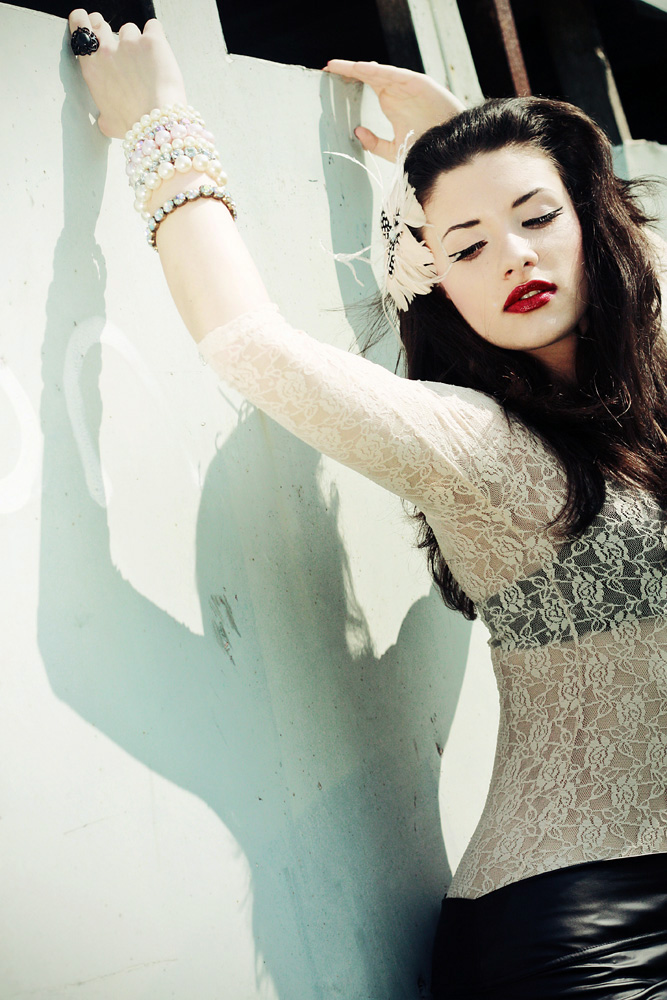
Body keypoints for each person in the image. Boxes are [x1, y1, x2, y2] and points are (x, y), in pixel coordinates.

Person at [68, 10, 667, 998]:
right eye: (465, 247)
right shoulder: (476, 446)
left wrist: (458, 143)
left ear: (590, 220)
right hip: (577, 942)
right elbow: (247, 343)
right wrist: (159, 125)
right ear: (437, 283)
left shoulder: (645, 409)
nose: (512, 257)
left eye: (536, 217)